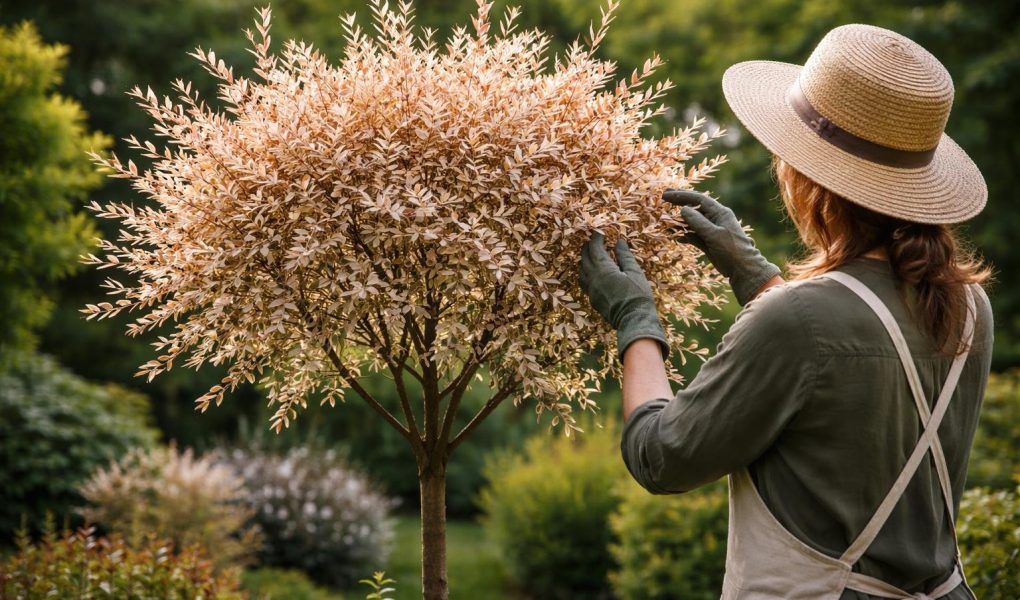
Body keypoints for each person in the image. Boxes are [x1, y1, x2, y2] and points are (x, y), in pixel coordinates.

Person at [578, 24, 993, 600]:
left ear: (807, 180)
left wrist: (635, 319)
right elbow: (845, 363)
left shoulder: (798, 320)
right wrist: (756, 275)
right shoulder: (972, 306)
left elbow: (660, 457)